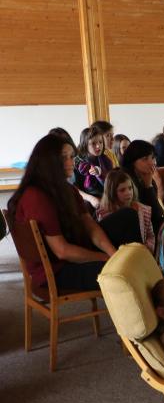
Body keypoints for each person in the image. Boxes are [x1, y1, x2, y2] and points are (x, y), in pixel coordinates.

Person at [9, 134, 140, 291]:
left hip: (74, 250)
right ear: (48, 161)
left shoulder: (68, 189)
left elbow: (91, 227)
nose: (71, 162)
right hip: (56, 270)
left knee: (128, 216)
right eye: (64, 158)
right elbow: (62, 251)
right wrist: (105, 258)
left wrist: (112, 253)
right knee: (123, 272)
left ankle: (134, 265)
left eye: (72, 157)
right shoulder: (36, 196)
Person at [97, 169, 155, 253]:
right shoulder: (105, 214)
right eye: (122, 190)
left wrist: (147, 248)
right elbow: (107, 241)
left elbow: (150, 235)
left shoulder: (143, 210)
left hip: (142, 252)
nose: (128, 193)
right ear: (112, 193)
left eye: (130, 188)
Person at [120, 139, 164, 234]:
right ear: (132, 162)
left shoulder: (147, 176)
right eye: (145, 159)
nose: (152, 162)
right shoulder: (125, 180)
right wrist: (148, 186)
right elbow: (151, 215)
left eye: (153, 157)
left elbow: (157, 213)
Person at [74, 125, 112, 206]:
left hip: (105, 195)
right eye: (93, 143)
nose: (98, 146)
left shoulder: (106, 160)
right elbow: (75, 188)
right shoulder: (77, 162)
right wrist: (91, 199)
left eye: (100, 142)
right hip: (86, 198)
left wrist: (100, 173)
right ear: (85, 145)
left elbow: (112, 183)